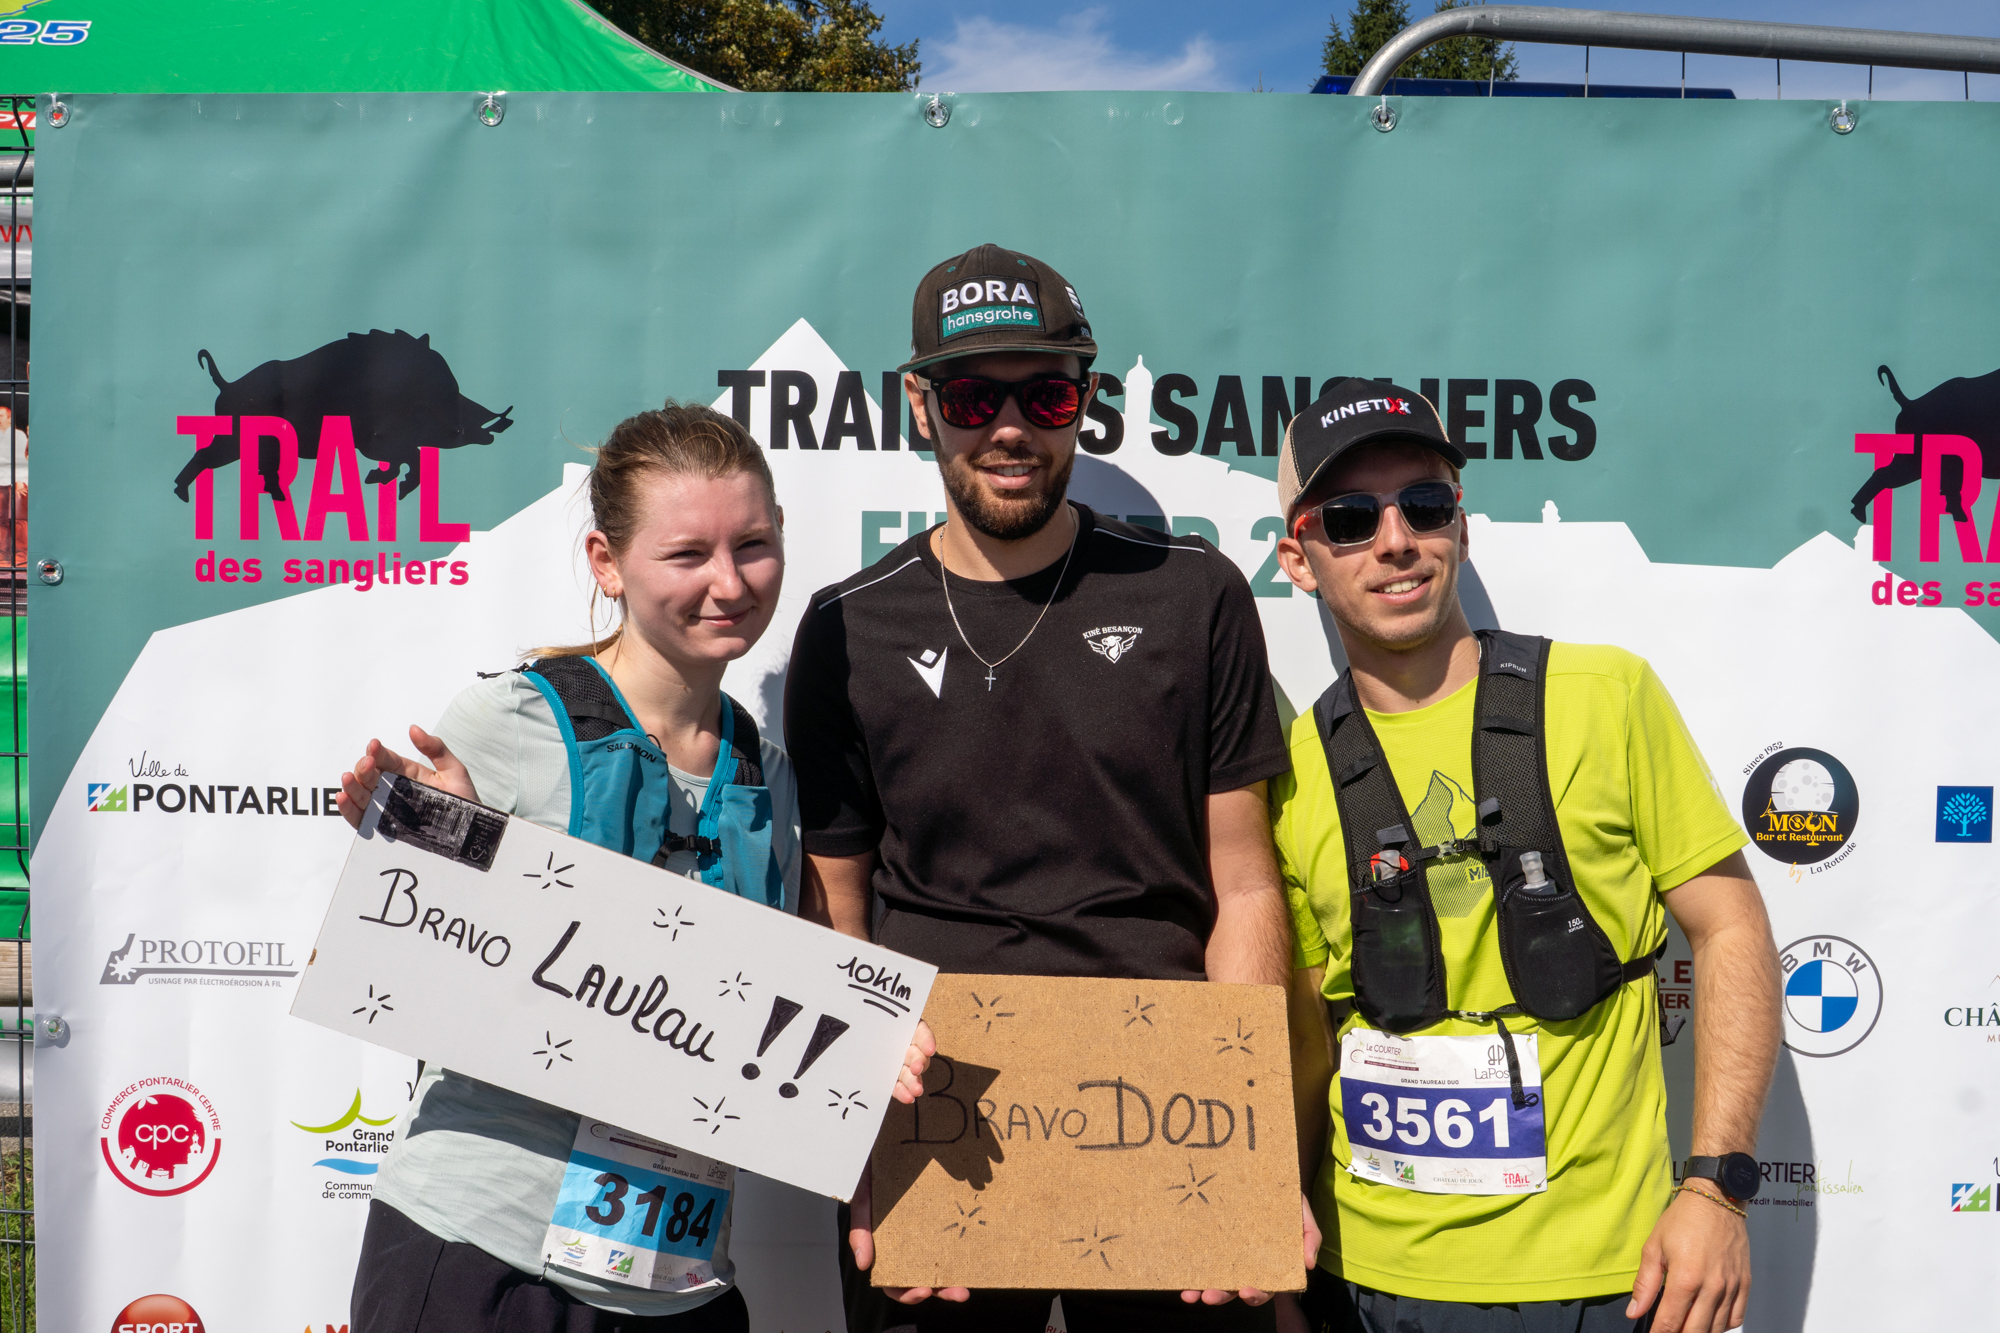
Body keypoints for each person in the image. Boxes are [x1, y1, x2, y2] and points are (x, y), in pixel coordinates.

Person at [783, 243, 1314, 1332]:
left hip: (1166, 1112)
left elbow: (1246, 887)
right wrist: (857, 1137)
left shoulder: (1194, 594)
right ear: (920, 405)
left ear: (1085, 402)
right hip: (939, 1123)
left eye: (1047, 394)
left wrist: (1249, 1139)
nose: (1011, 428)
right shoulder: (845, 627)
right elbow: (836, 914)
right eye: (974, 398)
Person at [335, 403, 932, 1333]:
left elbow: (778, 1024)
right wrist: (442, 843)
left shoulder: (770, 774)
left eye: (753, 545)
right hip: (481, 1260)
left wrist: (871, 1059)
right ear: (606, 562)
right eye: (687, 554)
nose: (729, 582)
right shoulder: (510, 723)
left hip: (679, 1283)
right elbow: (417, 959)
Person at [1266, 380, 1783, 1333]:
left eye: (1424, 504)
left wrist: (1717, 1188)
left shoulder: (1605, 696)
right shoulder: (1289, 771)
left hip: (1608, 1279)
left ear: (1461, 527)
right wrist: (1268, 1237)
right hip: (1363, 1281)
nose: (1395, 540)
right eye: (1350, 518)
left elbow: (1731, 927)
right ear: (1298, 557)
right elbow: (1301, 1038)